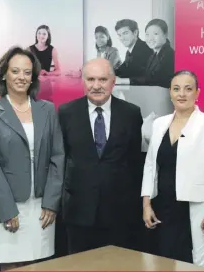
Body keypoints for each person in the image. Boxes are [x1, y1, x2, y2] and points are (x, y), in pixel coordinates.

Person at [0, 46, 65, 271]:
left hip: (40, 205)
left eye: (27, 72)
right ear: (4, 74)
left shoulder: (47, 110)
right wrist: (7, 208)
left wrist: (51, 202)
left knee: (37, 264)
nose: (21, 77)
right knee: (11, 264)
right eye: (15, 71)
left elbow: (58, 157)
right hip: (4, 204)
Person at [58, 58, 144, 254]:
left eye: (103, 79)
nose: (96, 86)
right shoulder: (66, 113)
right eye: (90, 79)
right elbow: (61, 159)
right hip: (78, 210)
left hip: (119, 211)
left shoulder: (131, 113)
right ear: (83, 82)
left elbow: (134, 163)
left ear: (113, 82)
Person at [141, 70, 204, 268]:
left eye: (188, 89)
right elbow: (151, 165)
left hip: (197, 203)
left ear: (197, 93)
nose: (182, 94)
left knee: (200, 261)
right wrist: (146, 203)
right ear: (170, 92)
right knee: (166, 257)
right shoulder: (159, 124)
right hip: (165, 203)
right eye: (176, 89)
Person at [114, 19, 153, 83]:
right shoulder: (129, 51)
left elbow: (135, 74)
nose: (122, 38)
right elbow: (121, 70)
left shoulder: (146, 48)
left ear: (135, 33)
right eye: (119, 35)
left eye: (125, 33)